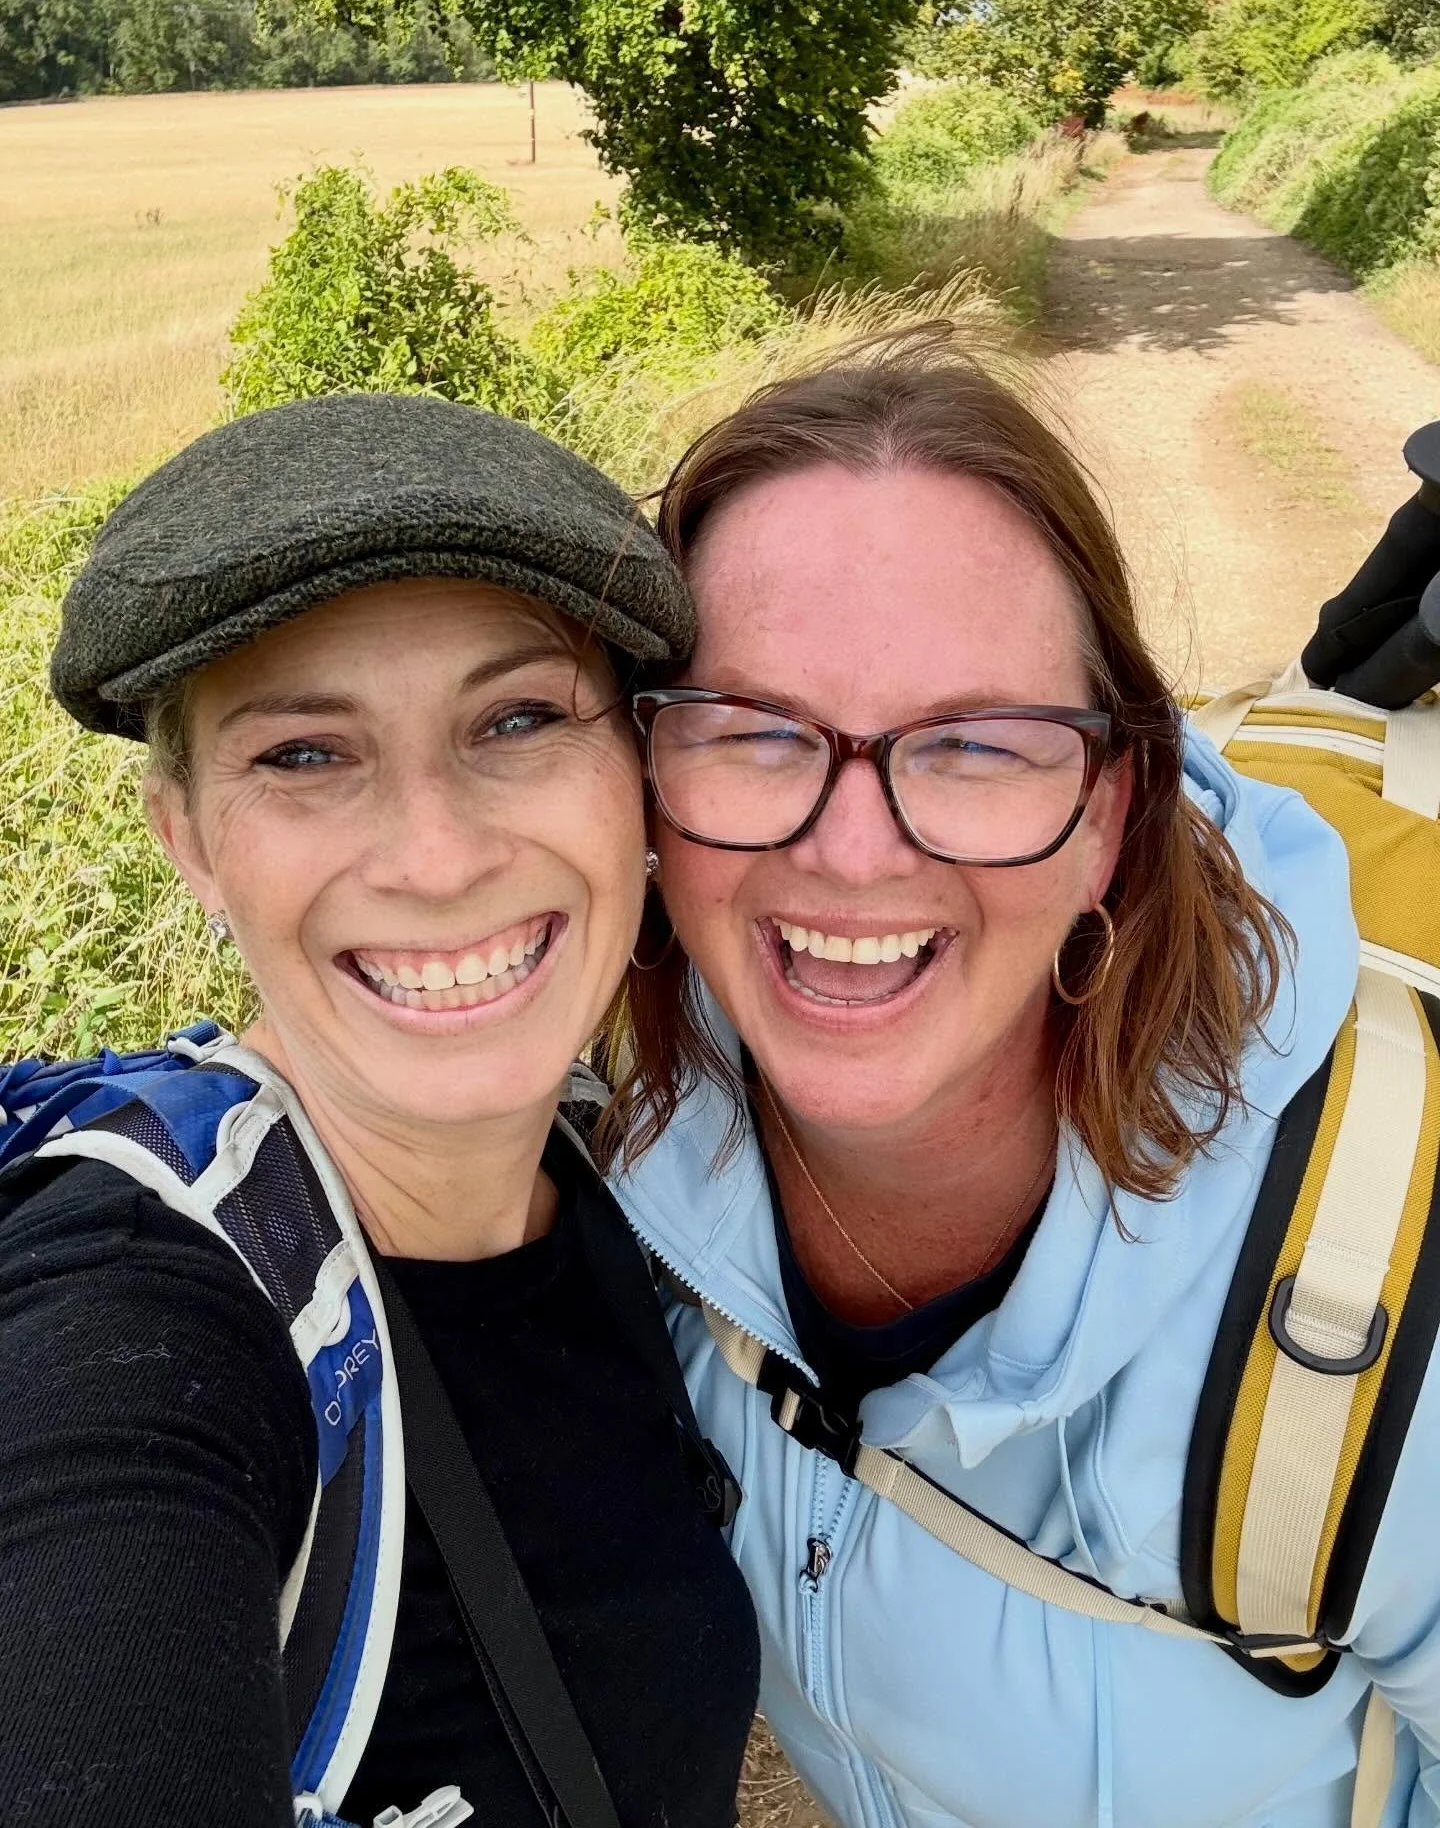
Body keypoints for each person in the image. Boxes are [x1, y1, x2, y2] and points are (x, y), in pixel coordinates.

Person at [608, 327, 1440, 1826]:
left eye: (978, 745)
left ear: (1113, 808)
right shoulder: (616, 1137)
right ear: (643, 787)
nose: (851, 853)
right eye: (751, 730)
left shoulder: (1398, 1324)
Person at [0, 393, 759, 1828]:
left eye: (519, 718)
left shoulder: (636, 1174)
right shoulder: (136, 1318)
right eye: (304, 753)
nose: (434, 852)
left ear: (642, 785)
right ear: (190, 842)